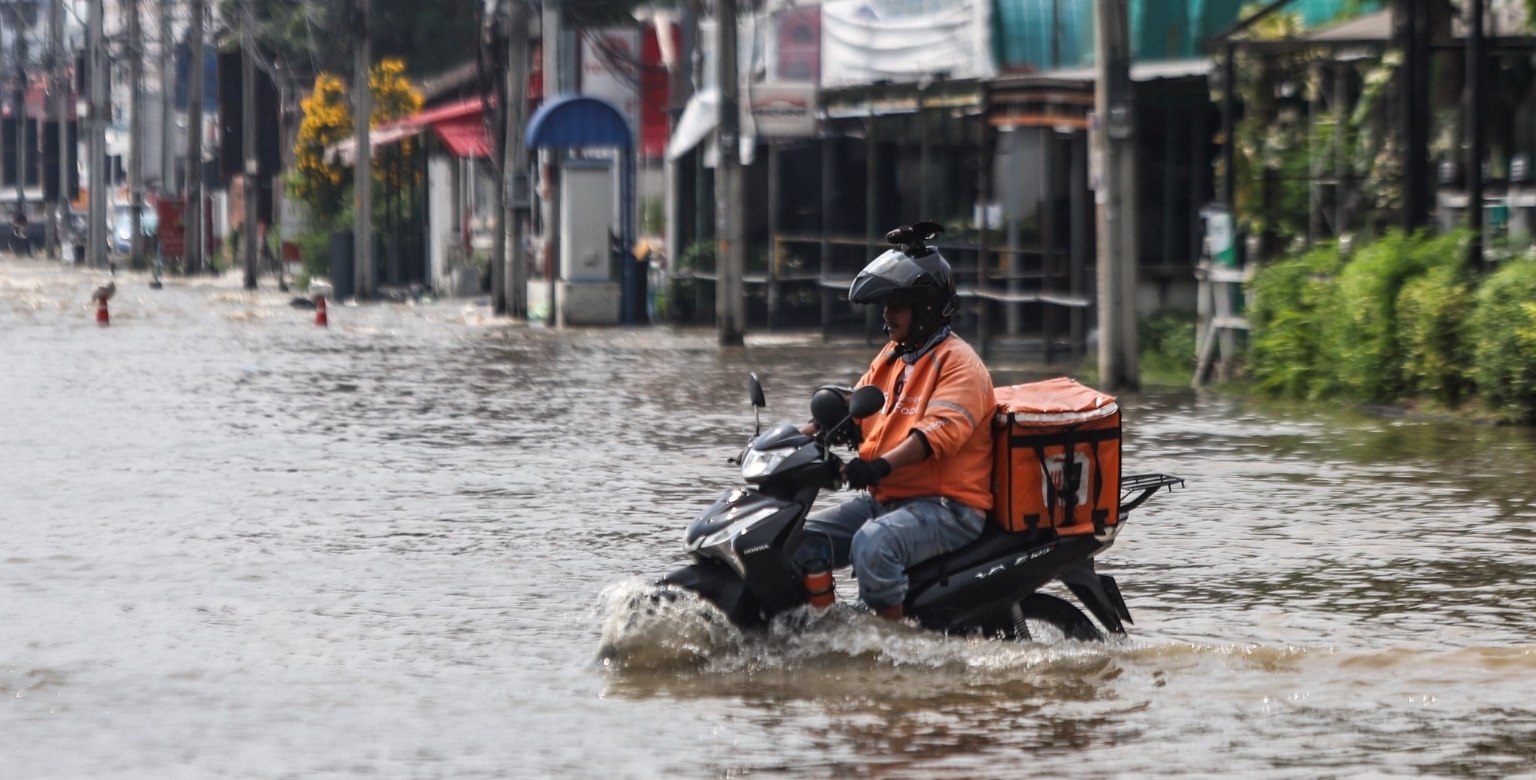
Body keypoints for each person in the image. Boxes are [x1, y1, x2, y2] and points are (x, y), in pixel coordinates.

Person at [799, 222, 995, 621]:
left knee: (874, 544)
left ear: (925, 307)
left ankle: (890, 648)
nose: (887, 315)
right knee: (802, 541)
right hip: (890, 498)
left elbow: (934, 436)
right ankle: (822, 633)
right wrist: (792, 439)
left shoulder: (960, 364)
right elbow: (856, 407)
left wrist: (877, 466)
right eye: (886, 306)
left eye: (897, 305)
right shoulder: (893, 356)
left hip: (948, 507)